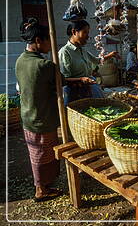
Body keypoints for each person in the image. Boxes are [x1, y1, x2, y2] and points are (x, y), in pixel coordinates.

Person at [15, 17, 63, 201]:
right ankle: (41, 189)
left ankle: (43, 184)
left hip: (27, 115)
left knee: (36, 153)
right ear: (38, 41)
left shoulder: (20, 60)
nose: (51, 45)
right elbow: (61, 82)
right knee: (44, 153)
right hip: (42, 117)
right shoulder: (44, 65)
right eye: (48, 41)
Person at [58, 20, 120, 105]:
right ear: (74, 32)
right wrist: (81, 79)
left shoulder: (82, 49)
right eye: (85, 32)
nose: (87, 36)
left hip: (87, 89)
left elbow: (96, 60)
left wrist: (111, 55)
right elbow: (64, 79)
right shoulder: (65, 52)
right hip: (74, 94)